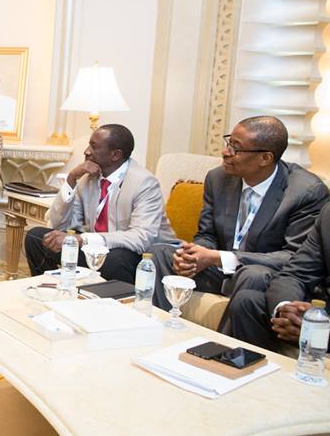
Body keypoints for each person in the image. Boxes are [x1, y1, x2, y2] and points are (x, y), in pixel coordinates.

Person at [151, 116, 327, 315]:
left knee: (253, 275)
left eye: (236, 147)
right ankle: (158, 328)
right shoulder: (218, 178)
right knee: (162, 254)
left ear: (265, 158)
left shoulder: (305, 192)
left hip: (259, 274)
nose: (226, 152)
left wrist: (220, 258)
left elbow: (293, 257)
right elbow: (207, 234)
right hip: (218, 268)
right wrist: (195, 255)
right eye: (229, 142)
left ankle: (228, 346)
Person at [25, 124, 176, 283]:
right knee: (37, 237)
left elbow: (140, 238)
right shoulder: (88, 178)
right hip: (98, 250)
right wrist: (71, 179)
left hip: (140, 257)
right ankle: (53, 292)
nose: (86, 151)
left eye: (94, 146)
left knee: (115, 259)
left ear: (115, 154)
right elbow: (62, 226)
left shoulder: (144, 183)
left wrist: (83, 239)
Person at [226, 202, 330, 352]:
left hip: (324, 324)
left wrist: (323, 330)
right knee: (247, 302)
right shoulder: (328, 215)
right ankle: (255, 372)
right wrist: (287, 310)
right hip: (320, 313)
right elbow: (295, 274)